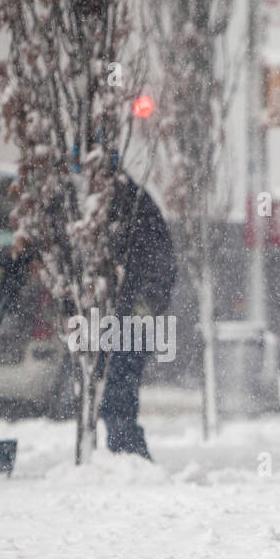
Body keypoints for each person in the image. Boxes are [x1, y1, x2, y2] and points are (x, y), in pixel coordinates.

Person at [99, 173, 177, 459]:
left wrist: (145, 302)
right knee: (115, 381)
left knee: (120, 380)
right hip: (106, 308)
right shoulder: (86, 200)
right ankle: (122, 446)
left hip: (130, 310)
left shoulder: (132, 202)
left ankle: (124, 446)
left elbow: (161, 256)